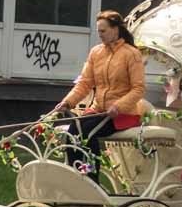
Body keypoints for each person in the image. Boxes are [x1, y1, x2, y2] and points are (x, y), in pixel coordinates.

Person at [55, 10, 145, 180]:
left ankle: (91, 181)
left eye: (103, 31)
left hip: (123, 114)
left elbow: (138, 89)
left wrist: (118, 106)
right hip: (100, 111)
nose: (100, 35)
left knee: (88, 132)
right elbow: (84, 83)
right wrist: (67, 102)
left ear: (115, 29)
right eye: (98, 31)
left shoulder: (131, 54)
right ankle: (75, 177)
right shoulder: (96, 52)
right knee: (73, 129)